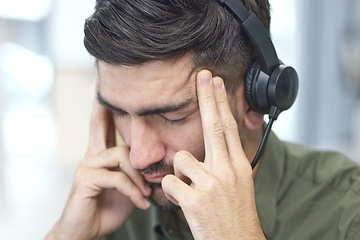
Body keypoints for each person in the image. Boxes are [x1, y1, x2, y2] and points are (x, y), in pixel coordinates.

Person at [46, 0, 360, 239]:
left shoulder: (347, 211)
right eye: (119, 112)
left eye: (171, 117)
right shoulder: (111, 206)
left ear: (257, 99)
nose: (138, 155)